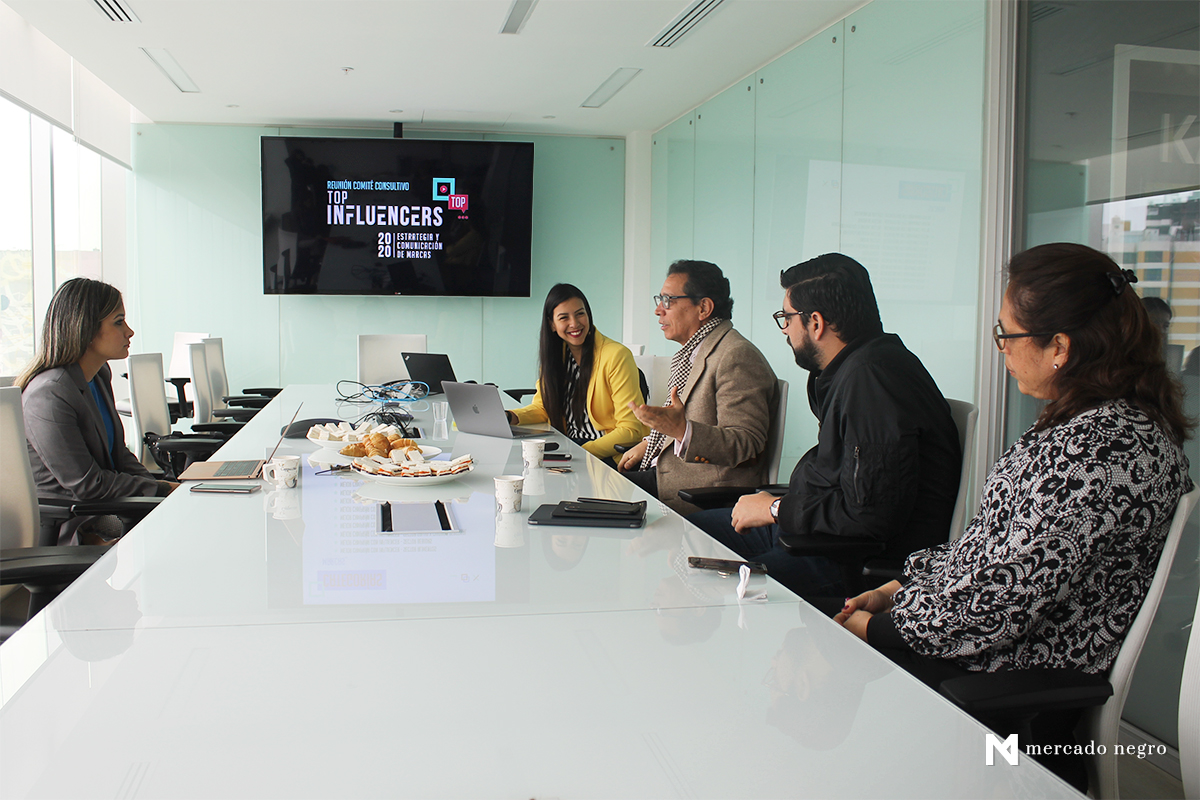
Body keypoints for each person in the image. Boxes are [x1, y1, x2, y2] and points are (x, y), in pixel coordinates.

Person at [834, 243, 1193, 787]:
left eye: (1007, 333)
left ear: (1059, 347)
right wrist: (898, 589)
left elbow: (998, 605)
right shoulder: (1094, 426)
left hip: (1005, 684)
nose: (1000, 346)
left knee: (823, 696)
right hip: (984, 654)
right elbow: (990, 550)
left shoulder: (1097, 454)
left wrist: (883, 628)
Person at [688, 253, 961, 599]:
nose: (785, 330)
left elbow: (869, 516)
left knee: (714, 586)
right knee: (687, 535)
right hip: (815, 532)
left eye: (787, 318)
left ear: (815, 323)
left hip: (848, 559)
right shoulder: (857, 368)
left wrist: (775, 509)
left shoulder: (872, 381)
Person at [16, 278, 176, 545]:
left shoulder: (98, 376)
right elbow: (87, 485)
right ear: (86, 330)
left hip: (104, 505)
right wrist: (160, 489)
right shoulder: (49, 394)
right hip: (78, 520)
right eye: (118, 322)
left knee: (184, 514)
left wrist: (158, 488)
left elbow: (118, 454)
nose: (129, 332)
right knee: (180, 526)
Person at [618, 260, 779, 515]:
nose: (658, 310)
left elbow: (746, 443)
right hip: (667, 473)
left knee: (597, 492)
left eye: (668, 300)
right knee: (594, 483)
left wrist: (682, 430)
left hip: (696, 492)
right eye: (659, 300)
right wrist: (650, 443)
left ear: (703, 307)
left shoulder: (736, 355)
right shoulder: (693, 352)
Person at [507, 283, 647, 461]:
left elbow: (630, 429)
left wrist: (580, 452)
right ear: (552, 324)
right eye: (564, 317)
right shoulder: (556, 358)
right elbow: (543, 408)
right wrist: (510, 417)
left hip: (605, 454)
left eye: (580, 314)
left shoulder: (616, 355)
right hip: (570, 446)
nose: (574, 323)